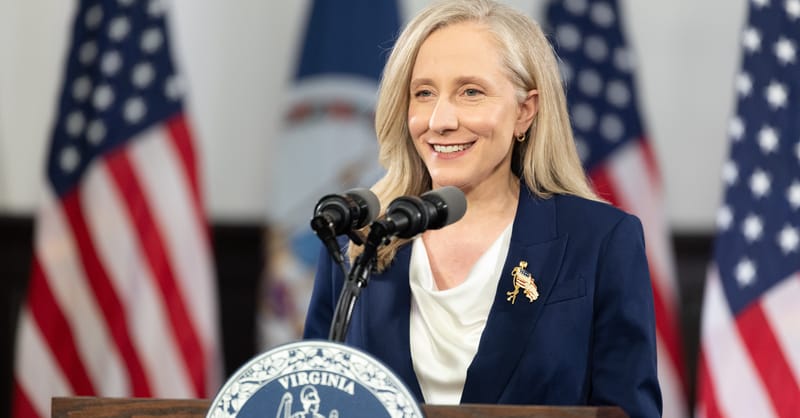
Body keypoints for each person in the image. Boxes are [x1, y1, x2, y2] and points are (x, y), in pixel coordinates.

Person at [303, 1, 662, 417]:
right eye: (423, 93)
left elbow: (628, 411)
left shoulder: (599, 239)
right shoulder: (363, 237)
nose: (440, 120)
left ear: (524, 112)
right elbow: (315, 394)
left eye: (470, 92)